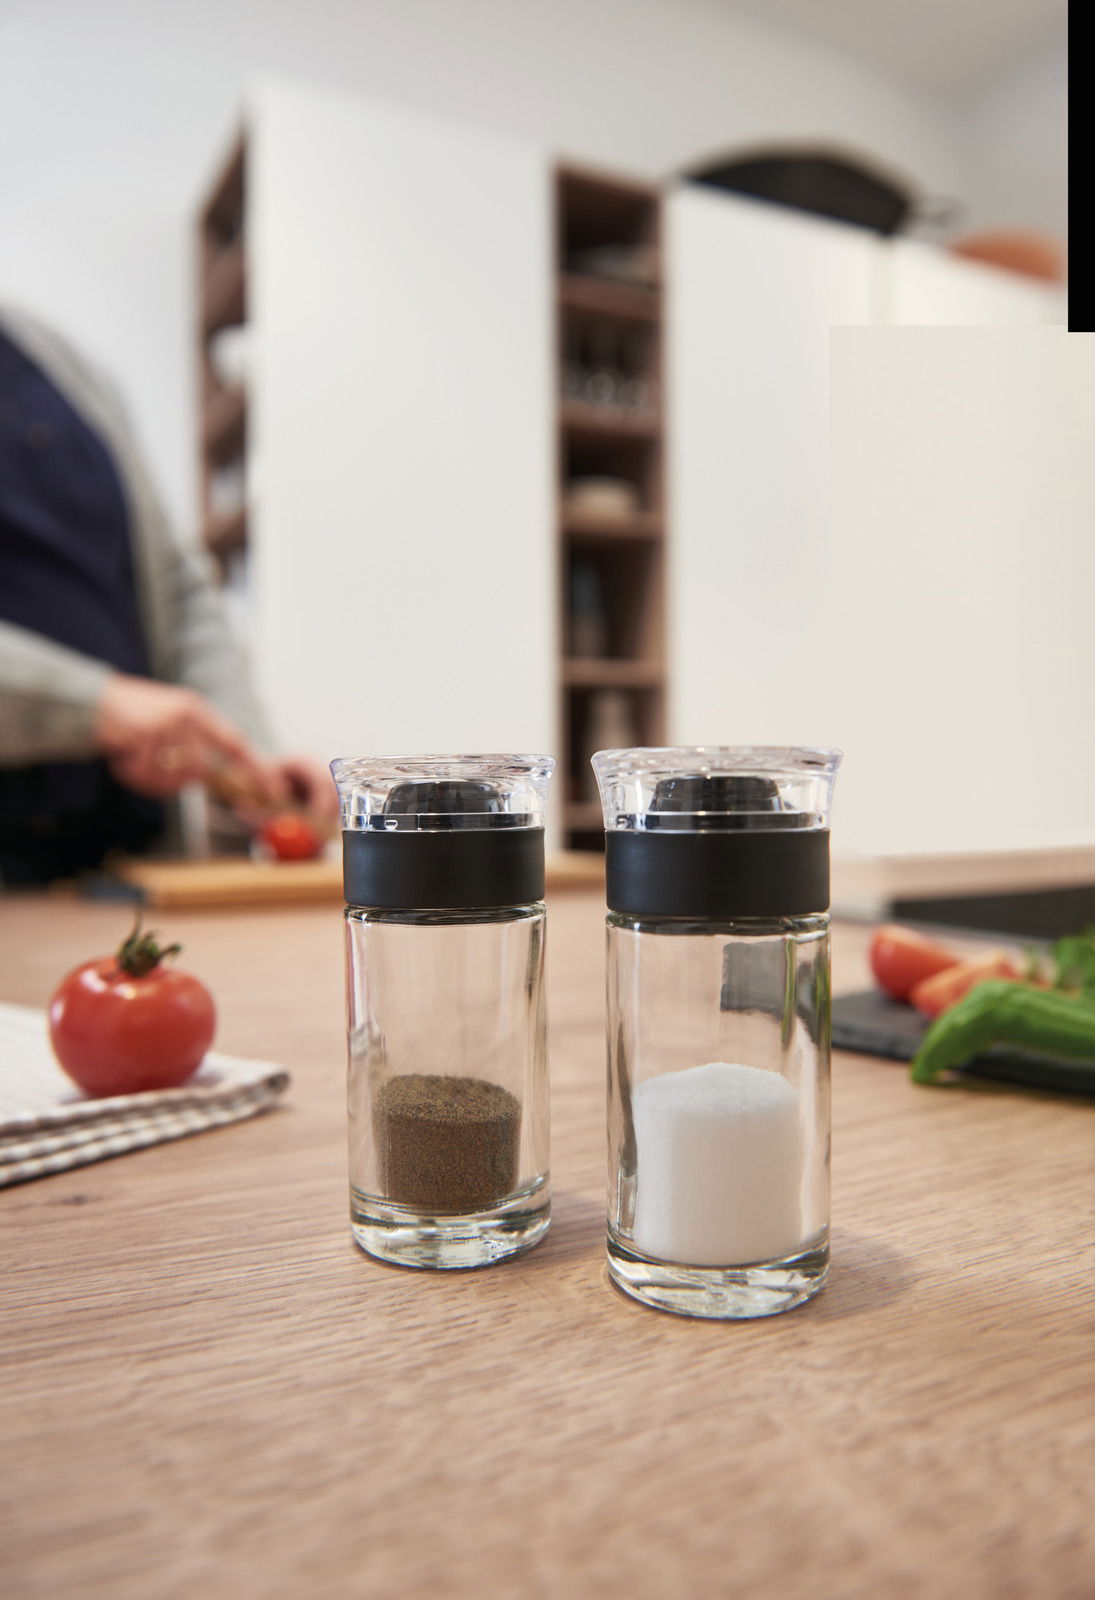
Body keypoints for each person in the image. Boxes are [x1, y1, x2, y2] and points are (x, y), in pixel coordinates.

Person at [0, 306, 335, 885]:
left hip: (127, 865)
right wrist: (93, 705)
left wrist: (247, 748)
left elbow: (175, 586)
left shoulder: (59, 359)